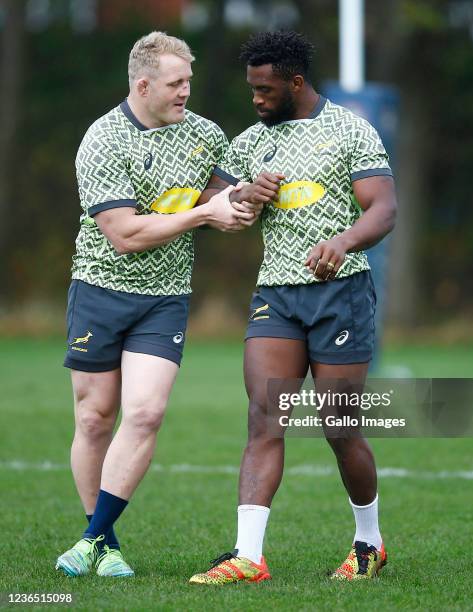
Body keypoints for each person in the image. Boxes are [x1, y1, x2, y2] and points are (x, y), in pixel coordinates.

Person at [189, 31, 397, 585]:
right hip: (275, 296)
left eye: (266, 89)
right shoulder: (250, 142)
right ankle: (249, 557)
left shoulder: (350, 129)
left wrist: (344, 242)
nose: (257, 99)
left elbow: (383, 208)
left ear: (296, 82)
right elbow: (212, 204)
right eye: (251, 88)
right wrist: (241, 197)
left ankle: (369, 543)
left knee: (338, 425)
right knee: (263, 417)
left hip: (340, 294)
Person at [55, 31, 258, 578]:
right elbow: (123, 234)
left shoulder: (205, 135)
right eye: (176, 83)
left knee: (145, 412)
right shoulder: (102, 141)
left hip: (164, 298)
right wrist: (203, 215)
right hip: (99, 289)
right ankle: (106, 541)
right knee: (95, 418)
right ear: (143, 85)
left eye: (188, 80)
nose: (187, 91)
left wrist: (246, 201)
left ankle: (92, 540)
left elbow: (225, 198)